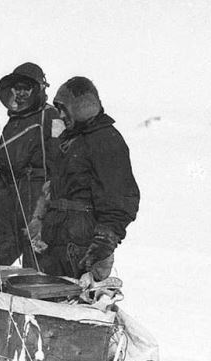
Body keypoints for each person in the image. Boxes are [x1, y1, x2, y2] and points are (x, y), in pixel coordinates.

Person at [31, 76, 140, 280]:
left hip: (82, 245)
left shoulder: (105, 140)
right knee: (51, 307)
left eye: (64, 109)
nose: (61, 115)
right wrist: (40, 220)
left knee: (79, 309)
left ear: (81, 107)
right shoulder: (71, 140)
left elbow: (119, 197)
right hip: (57, 241)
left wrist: (104, 241)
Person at [0, 62, 63, 268]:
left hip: (37, 195)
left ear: (39, 89)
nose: (21, 94)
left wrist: (48, 201)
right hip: (9, 196)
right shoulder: (14, 121)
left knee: (36, 264)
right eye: (17, 88)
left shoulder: (52, 116)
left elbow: (60, 160)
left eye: (27, 88)